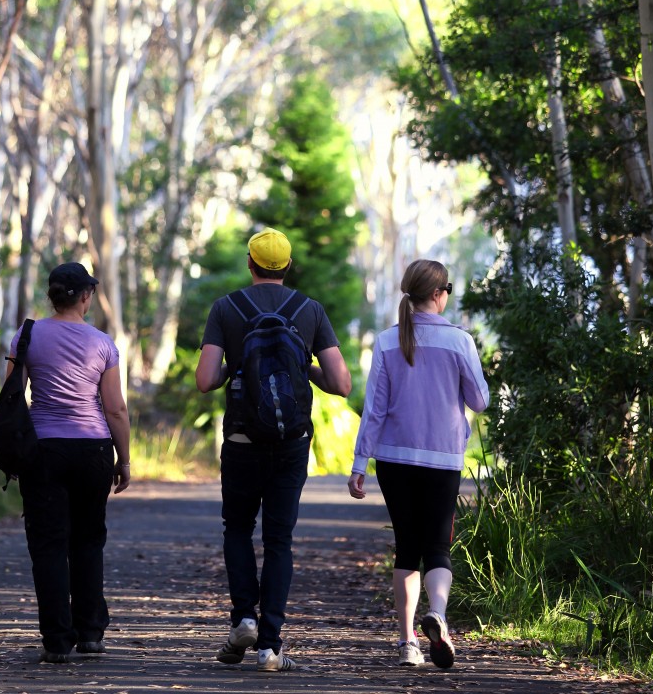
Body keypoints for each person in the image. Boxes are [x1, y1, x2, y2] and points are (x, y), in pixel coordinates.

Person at [196, 227, 352, 672]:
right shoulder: (310, 310)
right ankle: (270, 647)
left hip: (243, 440)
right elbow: (341, 384)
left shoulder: (226, 308)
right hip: (290, 442)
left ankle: (244, 617)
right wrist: (305, 366)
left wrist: (237, 363)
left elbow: (206, 380)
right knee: (279, 540)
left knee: (237, 529)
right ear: (287, 266)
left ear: (250, 263)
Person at [347, 259, 489, 669]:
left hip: (393, 458)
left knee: (406, 548)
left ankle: (408, 642)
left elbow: (374, 408)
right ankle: (439, 616)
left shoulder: (388, 341)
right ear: (440, 293)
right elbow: (479, 400)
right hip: (442, 458)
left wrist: (360, 463)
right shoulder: (460, 341)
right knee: (438, 547)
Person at [6, 262, 132, 664]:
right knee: (88, 541)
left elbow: (10, 398)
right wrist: (124, 458)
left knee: (48, 545)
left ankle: (58, 640)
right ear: (85, 296)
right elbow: (115, 410)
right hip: (93, 450)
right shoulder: (102, 343)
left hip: (42, 450)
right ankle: (91, 633)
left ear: (52, 295)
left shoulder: (27, 336)